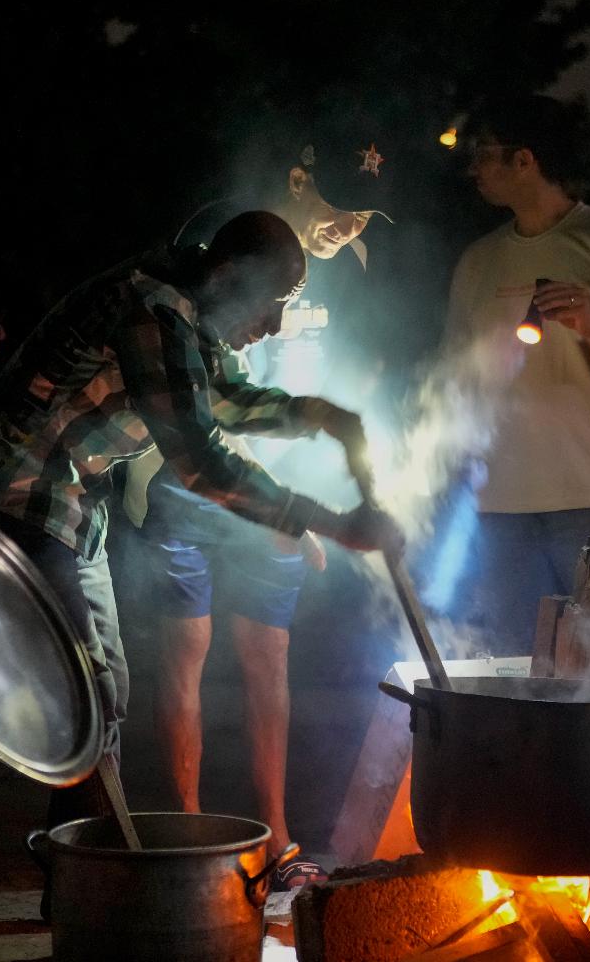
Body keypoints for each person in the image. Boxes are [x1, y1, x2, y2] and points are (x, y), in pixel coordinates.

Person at [0, 209, 404, 901]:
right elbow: (200, 458)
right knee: (91, 694)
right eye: (274, 304)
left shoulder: (188, 312)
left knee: (105, 700)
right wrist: (330, 523)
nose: (276, 326)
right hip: (25, 498)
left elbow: (225, 397)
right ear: (227, 276)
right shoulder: (152, 306)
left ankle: (76, 875)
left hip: (73, 506)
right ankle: (85, 883)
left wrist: (318, 416)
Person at [123, 131, 394, 888]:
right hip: (190, 477)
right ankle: (188, 831)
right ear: (301, 181)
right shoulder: (223, 245)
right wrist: (306, 514)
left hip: (272, 487)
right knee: (186, 649)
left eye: (368, 217)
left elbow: (339, 377)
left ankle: (274, 838)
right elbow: (203, 409)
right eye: (346, 208)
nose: (353, 228)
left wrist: (308, 496)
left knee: (266, 655)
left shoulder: (353, 276)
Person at [443, 95, 590, 654]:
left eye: (484, 155)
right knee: (516, 678)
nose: (473, 169)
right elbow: (452, 380)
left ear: (523, 161)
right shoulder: (478, 262)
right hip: (501, 512)